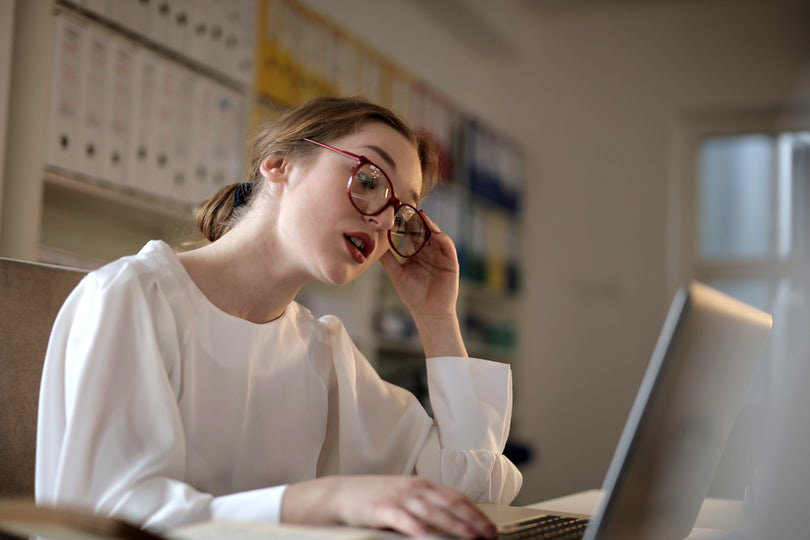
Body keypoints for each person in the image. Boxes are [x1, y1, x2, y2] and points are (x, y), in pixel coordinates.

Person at [36, 96, 522, 538]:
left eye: (401, 212)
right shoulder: (133, 297)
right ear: (278, 165)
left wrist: (437, 317)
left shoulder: (322, 349)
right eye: (370, 179)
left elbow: (471, 490)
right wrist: (322, 499)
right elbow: (107, 518)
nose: (380, 219)